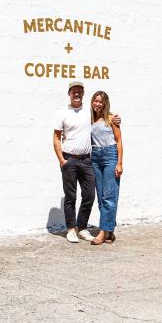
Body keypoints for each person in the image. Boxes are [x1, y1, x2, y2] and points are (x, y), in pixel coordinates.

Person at [53, 80, 120, 243]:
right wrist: (62, 160)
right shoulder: (62, 113)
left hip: (88, 160)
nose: (76, 94)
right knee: (70, 196)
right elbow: (56, 137)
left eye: (79, 91)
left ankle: (81, 227)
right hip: (69, 159)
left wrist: (114, 117)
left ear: (83, 94)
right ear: (69, 94)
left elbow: (103, 113)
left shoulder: (88, 111)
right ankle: (70, 229)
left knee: (90, 195)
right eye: (73, 91)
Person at [89, 90, 123, 245]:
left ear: (105, 103)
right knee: (101, 197)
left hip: (110, 156)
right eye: (95, 101)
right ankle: (109, 232)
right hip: (95, 157)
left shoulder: (111, 119)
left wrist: (119, 162)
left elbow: (119, 141)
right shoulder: (89, 119)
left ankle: (103, 232)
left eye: (100, 101)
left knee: (109, 196)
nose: (97, 104)